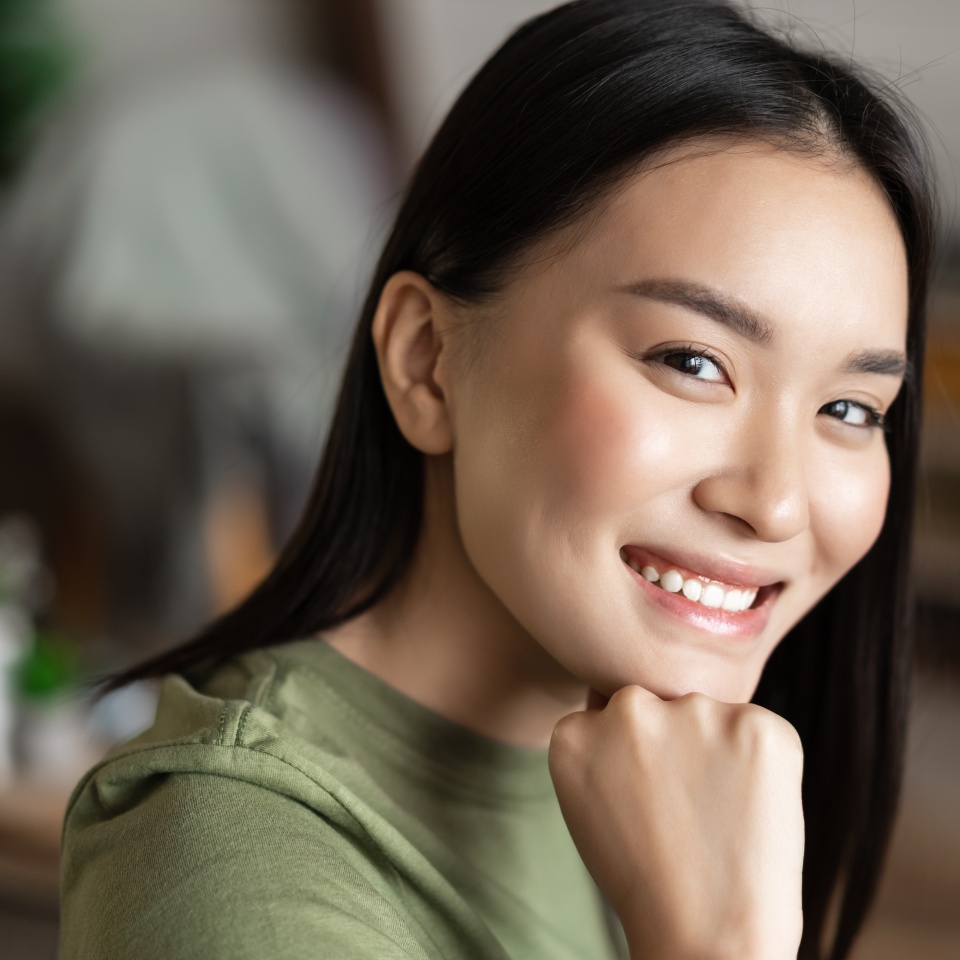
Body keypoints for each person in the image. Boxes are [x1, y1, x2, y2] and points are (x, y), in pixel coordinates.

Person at [59, 1, 937, 958]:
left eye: (850, 409)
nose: (775, 503)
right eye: (692, 362)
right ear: (427, 361)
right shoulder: (230, 865)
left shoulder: (671, 786)